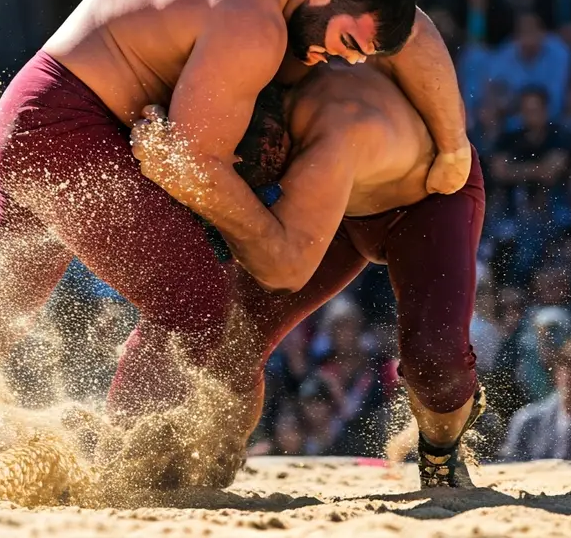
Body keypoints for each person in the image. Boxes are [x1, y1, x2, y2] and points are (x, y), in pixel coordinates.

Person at [0, 0, 470, 500]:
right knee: (197, 303)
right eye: (346, 44)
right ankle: (120, 476)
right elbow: (188, 159)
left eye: (361, 57)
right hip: (72, 130)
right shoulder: (256, 22)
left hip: (37, 111)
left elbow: (413, 33)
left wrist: (452, 144)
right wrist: (207, 208)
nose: (345, 63)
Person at [134, 61, 485, 487]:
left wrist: (451, 144)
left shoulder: (329, 130)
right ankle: (204, 455)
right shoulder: (249, 63)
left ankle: (441, 451)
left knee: (435, 362)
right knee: (231, 337)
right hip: (327, 204)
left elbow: (285, 270)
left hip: (424, 200)